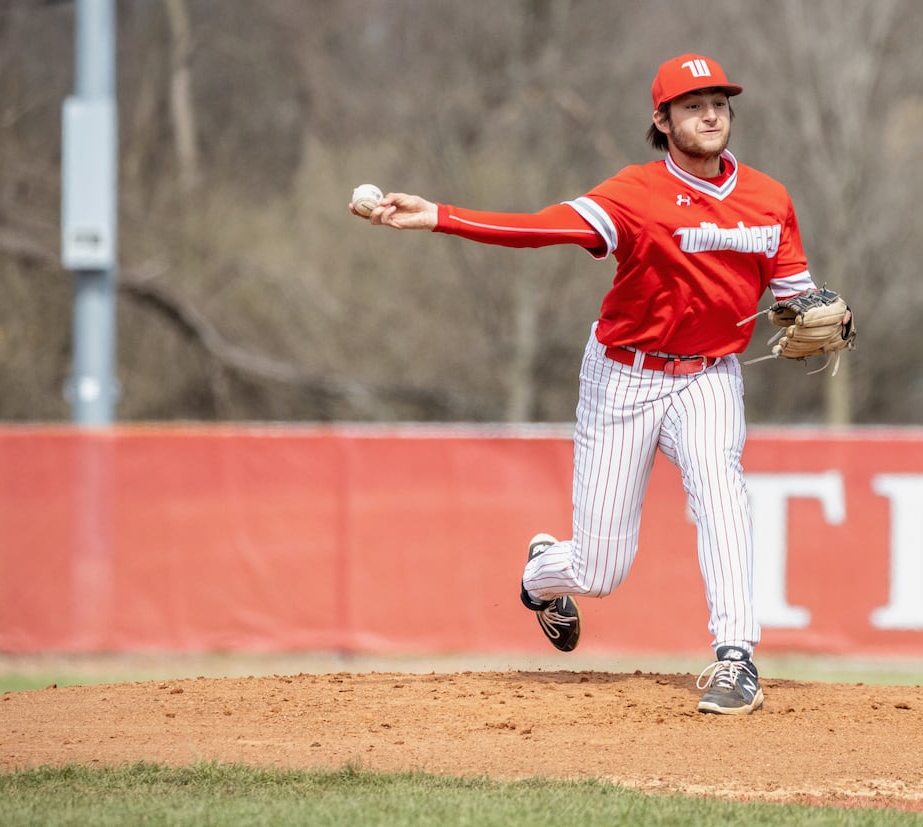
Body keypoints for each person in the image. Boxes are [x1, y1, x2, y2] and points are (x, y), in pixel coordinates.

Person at [350, 52, 849, 715]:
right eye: (693, 105)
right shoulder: (637, 194)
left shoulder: (768, 198)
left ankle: (737, 657)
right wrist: (438, 214)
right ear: (662, 119)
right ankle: (540, 576)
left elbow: (795, 295)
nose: (710, 114)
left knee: (721, 490)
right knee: (600, 570)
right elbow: (539, 228)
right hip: (625, 375)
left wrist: (824, 310)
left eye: (719, 103)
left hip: (709, 376)